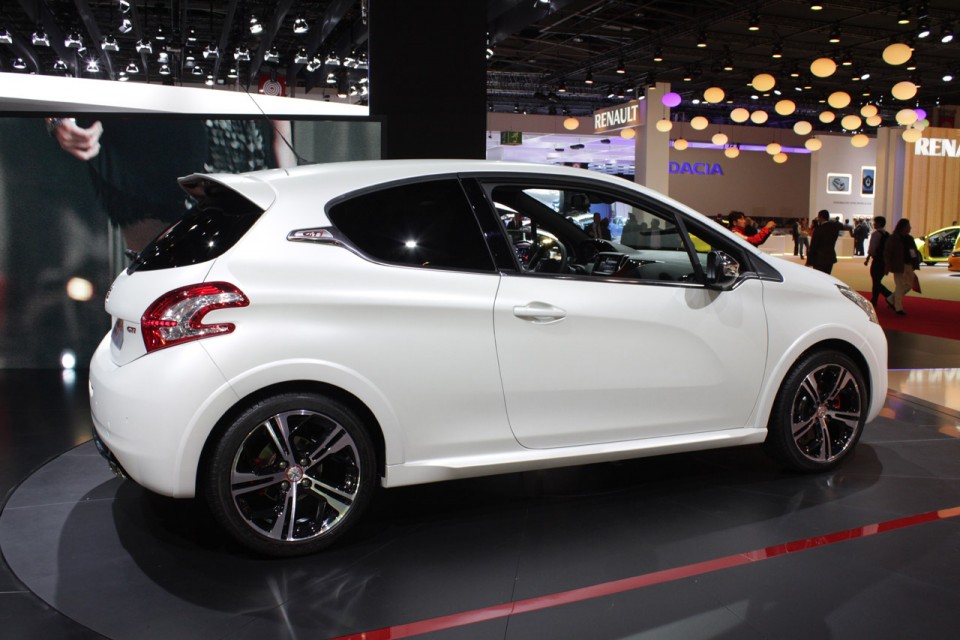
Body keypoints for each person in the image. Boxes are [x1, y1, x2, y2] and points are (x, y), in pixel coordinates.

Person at [49, 116, 296, 252]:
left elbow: (279, 119)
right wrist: (57, 117)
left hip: (236, 137)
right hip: (148, 141)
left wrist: (288, 194)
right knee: (162, 286)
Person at [883, 218, 920, 316]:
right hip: (898, 265)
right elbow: (887, 253)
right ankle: (898, 308)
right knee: (900, 286)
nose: (910, 228)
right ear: (903, 227)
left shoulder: (910, 238)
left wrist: (915, 262)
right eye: (908, 226)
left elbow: (914, 251)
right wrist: (887, 265)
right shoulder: (893, 238)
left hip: (909, 265)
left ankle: (891, 299)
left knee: (909, 285)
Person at [806, 209, 852, 274]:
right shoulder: (834, 228)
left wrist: (809, 261)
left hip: (819, 259)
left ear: (821, 217)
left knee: (819, 277)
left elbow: (813, 245)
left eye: (818, 217)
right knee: (827, 276)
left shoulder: (818, 229)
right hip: (830, 257)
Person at [864, 216, 893, 308]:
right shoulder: (887, 234)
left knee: (876, 281)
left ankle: (890, 296)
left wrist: (868, 258)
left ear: (879, 223)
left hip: (877, 260)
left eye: (875, 223)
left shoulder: (876, 234)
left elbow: (872, 248)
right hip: (884, 260)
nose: (874, 224)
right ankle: (875, 299)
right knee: (877, 280)